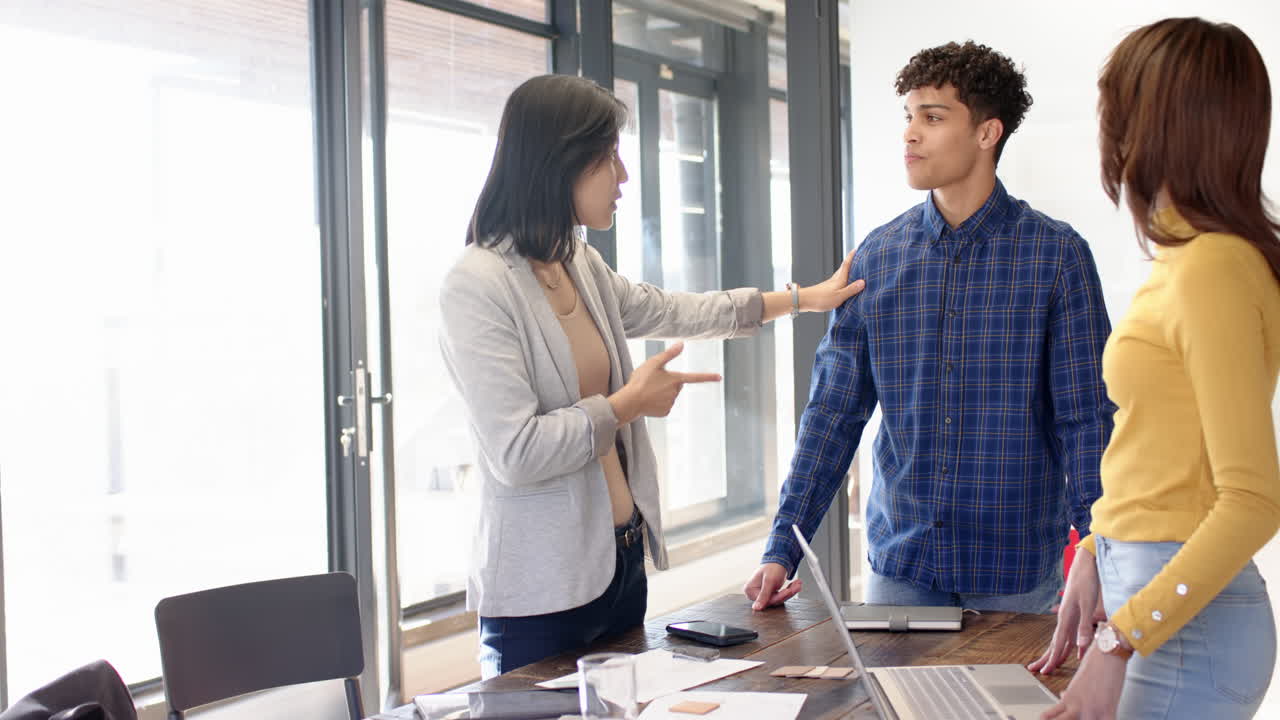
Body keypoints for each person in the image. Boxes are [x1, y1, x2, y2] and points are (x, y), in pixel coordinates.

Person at [439, 74, 865, 679]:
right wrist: (625, 405)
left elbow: (673, 309)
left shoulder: (578, 262)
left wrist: (802, 300)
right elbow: (515, 451)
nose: (624, 176)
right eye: (609, 156)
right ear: (560, 161)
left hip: (618, 567)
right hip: (541, 593)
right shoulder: (476, 284)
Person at [745, 41, 1114, 614]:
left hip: (1013, 571)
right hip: (904, 567)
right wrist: (781, 548)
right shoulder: (878, 256)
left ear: (987, 133)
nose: (910, 134)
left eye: (933, 118)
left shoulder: (1057, 256)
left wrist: (1099, 553)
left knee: (1011, 708)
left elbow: (1085, 420)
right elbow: (832, 415)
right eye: (909, 117)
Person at [1030, 18, 1280, 719]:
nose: (1106, 128)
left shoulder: (1213, 269)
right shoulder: (1190, 258)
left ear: (1159, 121)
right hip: (1153, 607)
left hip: (1184, 635)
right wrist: (1095, 553)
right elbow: (1159, 451)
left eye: (1115, 107)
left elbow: (1254, 502)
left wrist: (1119, 643)